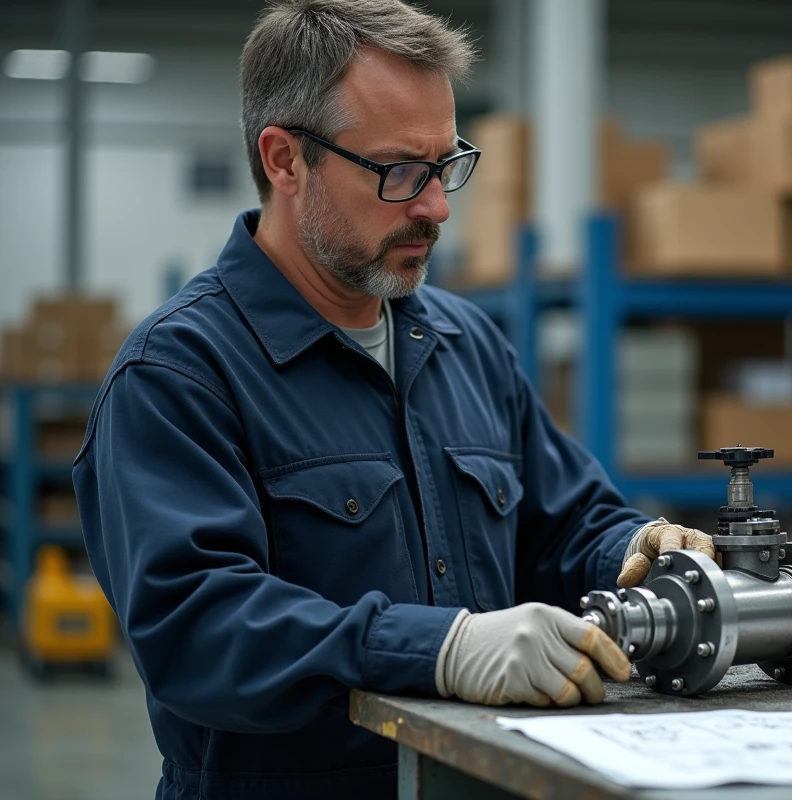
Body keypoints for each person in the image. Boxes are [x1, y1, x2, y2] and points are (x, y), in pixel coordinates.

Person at [72, 1, 714, 798]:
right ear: (285, 160)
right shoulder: (179, 375)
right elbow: (196, 629)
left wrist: (634, 548)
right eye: (399, 172)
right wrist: (438, 649)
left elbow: (564, 523)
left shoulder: (467, 345)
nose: (436, 207)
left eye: (445, 165)